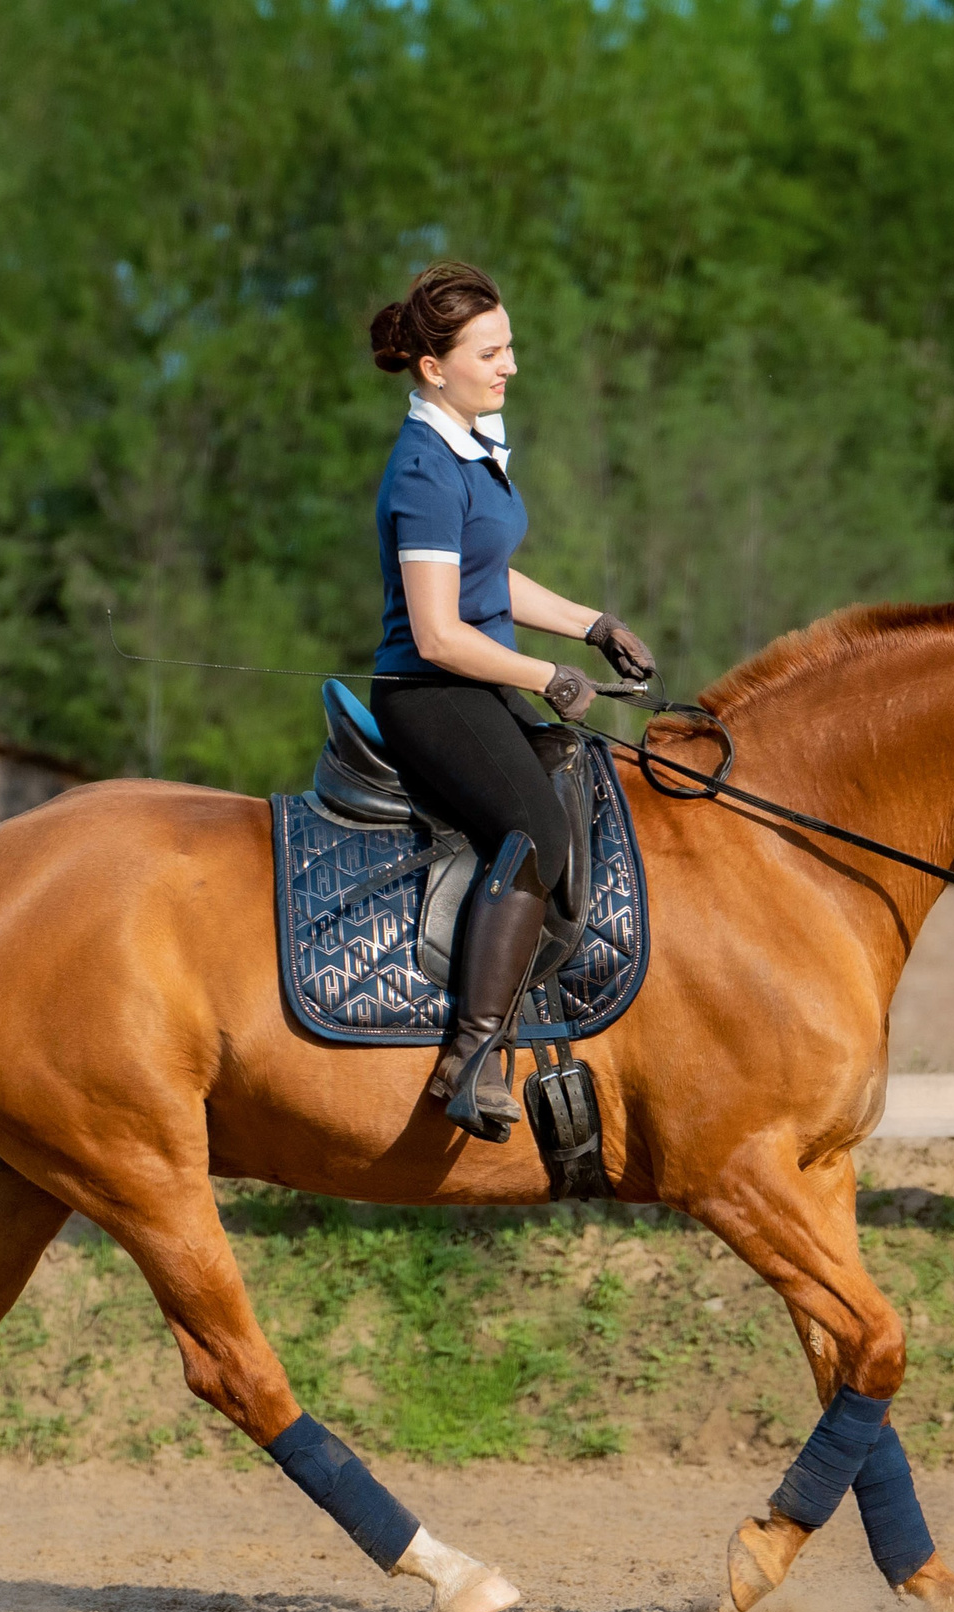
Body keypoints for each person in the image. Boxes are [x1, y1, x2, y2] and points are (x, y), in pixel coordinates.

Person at [366, 261, 656, 1138]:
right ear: (433, 367)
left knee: (582, 790)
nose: (510, 366)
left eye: (511, 346)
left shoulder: (473, 451)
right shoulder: (424, 468)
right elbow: (437, 633)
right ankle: (470, 1054)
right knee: (537, 830)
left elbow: (486, 576)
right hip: (431, 693)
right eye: (491, 352)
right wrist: (546, 677)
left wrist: (589, 625)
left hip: (477, 684)